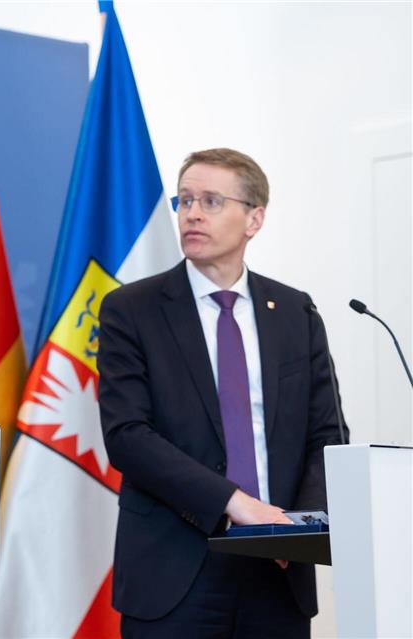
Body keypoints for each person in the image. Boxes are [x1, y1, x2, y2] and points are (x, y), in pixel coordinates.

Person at [97, 148, 345, 638]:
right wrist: (237, 504)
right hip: (174, 568)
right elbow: (128, 435)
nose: (191, 213)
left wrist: (297, 530)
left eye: (210, 201)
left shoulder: (296, 312)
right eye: (184, 199)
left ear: (254, 218)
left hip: (278, 570)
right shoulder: (132, 309)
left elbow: (326, 434)